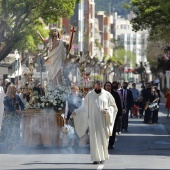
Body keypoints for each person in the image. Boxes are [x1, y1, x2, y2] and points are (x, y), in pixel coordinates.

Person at [72, 80, 118, 164]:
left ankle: (102, 157)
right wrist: (77, 112)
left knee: (103, 139)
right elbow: (84, 107)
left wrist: (108, 110)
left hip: (103, 121)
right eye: (97, 85)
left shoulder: (107, 95)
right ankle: (96, 158)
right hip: (92, 122)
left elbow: (114, 107)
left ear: (101, 86)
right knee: (94, 140)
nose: (98, 87)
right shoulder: (90, 95)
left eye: (100, 85)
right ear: (94, 86)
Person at [0, 84, 24, 150]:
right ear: (11, 89)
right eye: (15, 88)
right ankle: (9, 144)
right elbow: (8, 107)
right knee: (9, 130)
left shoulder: (17, 97)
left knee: (15, 130)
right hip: (8, 116)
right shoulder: (6, 98)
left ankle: (14, 144)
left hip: (15, 116)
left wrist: (22, 110)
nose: (16, 89)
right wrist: (17, 111)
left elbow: (22, 104)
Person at [104, 82, 122, 149]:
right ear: (104, 86)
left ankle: (111, 144)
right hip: (104, 115)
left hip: (113, 115)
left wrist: (119, 114)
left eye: (109, 86)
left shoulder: (115, 94)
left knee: (112, 129)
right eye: (107, 86)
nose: (108, 87)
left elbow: (118, 104)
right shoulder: (101, 94)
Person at [64, 85, 82, 150]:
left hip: (79, 118)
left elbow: (83, 108)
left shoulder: (81, 98)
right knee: (70, 132)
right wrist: (66, 118)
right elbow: (66, 109)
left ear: (78, 91)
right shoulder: (68, 98)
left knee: (77, 132)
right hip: (70, 118)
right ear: (71, 91)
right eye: (73, 90)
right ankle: (69, 145)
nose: (74, 92)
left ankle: (76, 146)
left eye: (76, 90)